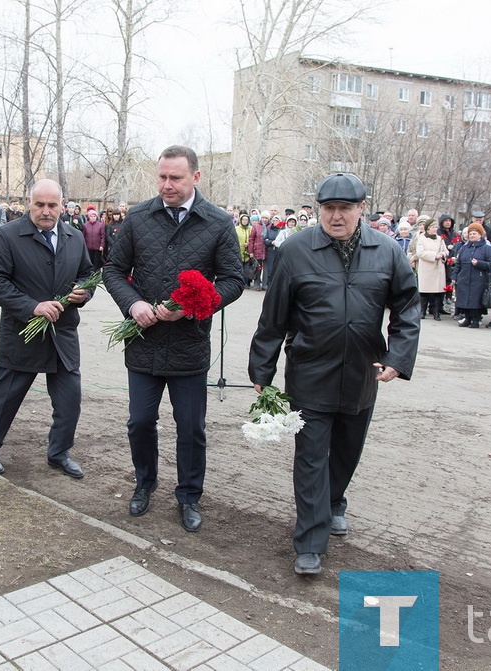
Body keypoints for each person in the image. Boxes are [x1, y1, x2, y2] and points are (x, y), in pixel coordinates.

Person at [248, 173, 420, 575]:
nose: (336, 216)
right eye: (329, 208)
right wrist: (262, 368)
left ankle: (334, 501)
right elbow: (273, 317)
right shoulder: (295, 251)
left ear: (362, 209)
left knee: (347, 451)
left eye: (346, 208)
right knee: (310, 457)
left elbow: (407, 308)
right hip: (310, 371)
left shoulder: (387, 251)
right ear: (319, 209)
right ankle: (309, 541)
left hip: (362, 372)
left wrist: (399, 356)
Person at [102, 145, 244, 533]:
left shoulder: (217, 222)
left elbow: (234, 280)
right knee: (140, 422)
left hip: (189, 345)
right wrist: (133, 305)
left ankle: (189, 496)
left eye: (175, 178)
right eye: (162, 177)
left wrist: (195, 305)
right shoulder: (138, 217)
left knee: (191, 427)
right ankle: (144, 483)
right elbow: (113, 270)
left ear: (195, 177)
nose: (167, 185)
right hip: (144, 343)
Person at [0, 179, 95, 476]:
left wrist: (84, 291)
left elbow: (87, 272)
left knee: (70, 400)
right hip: (22, 333)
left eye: (52, 205)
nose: (45, 211)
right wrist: (32, 307)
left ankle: (59, 452)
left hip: (62, 332)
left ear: (62, 205)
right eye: (39, 204)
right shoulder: (8, 236)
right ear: (29, 203)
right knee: (7, 396)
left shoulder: (74, 236)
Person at [452, 222, 491, 328]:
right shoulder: (464, 248)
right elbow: (458, 264)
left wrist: (479, 263)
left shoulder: (486, 248)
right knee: (465, 299)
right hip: (464, 278)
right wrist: (454, 276)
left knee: (475, 300)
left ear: (480, 234)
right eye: (470, 234)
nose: (472, 236)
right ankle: (467, 318)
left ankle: (475, 320)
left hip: (478, 279)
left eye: (474, 233)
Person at [413, 219, 448, 319]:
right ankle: (422, 311)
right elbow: (420, 253)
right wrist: (434, 255)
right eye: (432, 227)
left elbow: (445, 251)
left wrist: (443, 254)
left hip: (438, 268)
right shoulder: (422, 239)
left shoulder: (440, 239)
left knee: (437, 292)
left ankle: (436, 313)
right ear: (427, 229)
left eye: (435, 227)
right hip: (426, 268)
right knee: (424, 292)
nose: (434, 229)